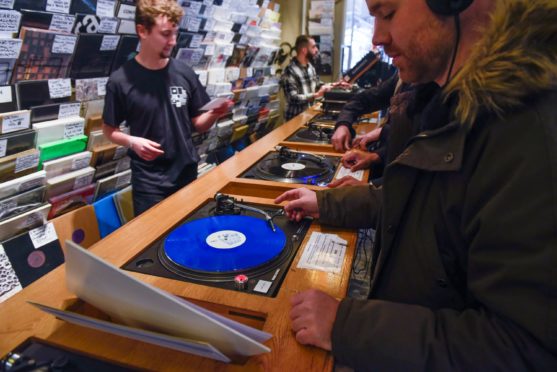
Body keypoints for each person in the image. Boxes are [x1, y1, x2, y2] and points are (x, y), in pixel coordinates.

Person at [275, 0, 557, 369]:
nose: (378, 38)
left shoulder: (528, 132)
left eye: (387, 13)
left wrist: (348, 327)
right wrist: (325, 203)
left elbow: (527, 348)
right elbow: (412, 206)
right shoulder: (437, 102)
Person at [102, 0, 231, 216]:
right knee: (152, 245)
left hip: (186, 173)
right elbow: (109, 129)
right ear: (142, 31)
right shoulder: (120, 80)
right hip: (149, 183)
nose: (172, 41)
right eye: (165, 34)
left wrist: (214, 114)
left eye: (175, 34)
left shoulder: (184, 72)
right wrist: (132, 141)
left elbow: (198, 125)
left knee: (187, 238)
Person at [280, 35, 334, 121]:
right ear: (304, 50)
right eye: (313, 47)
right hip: (295, 120)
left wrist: (335, 85)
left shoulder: (310, 67)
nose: (317, 50)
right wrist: (316, 95)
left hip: (308, 116)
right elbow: (292, 98)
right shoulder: (289, 71)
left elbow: (317, 84)